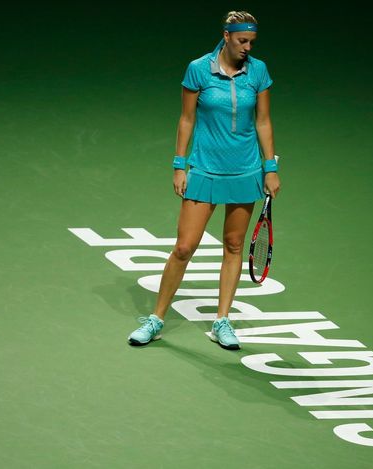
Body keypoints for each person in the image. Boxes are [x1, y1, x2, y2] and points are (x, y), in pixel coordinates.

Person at [128, 10, 280, 350]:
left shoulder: (259, 71)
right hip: (205, 168)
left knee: (234, 246)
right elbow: (186, 119)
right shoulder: (198, 69)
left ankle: (222, 321)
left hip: (244, 171)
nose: (247, 48)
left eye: (252, 42)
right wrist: (179, 165)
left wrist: (269, 168)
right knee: (184, 247)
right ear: (226, 36)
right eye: (242, 41)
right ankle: (156, 319)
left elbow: (264, 122)